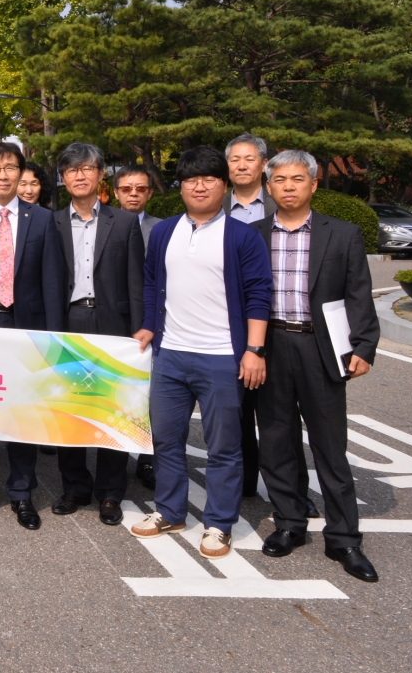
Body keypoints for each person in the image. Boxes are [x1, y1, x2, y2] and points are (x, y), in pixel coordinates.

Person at [130, 146, 272, 560]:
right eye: (191, 179)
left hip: (221, 357)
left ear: (224, 186)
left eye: (209, 178)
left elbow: (259, 294)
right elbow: (153, 283)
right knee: (166, 439)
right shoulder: (164, 232)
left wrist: (254, 350)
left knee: (224, 446)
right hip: (170, 354)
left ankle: (218, 524)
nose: (200, 185)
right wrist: (150, 326)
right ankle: (170, 510)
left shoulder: (242, 236)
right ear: (180, 187)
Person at [254, 150, 380, 582]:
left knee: (330, 445)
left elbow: (358, 292)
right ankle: (289, 523)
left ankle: (344, 538)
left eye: (297, 179)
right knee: (275, 439)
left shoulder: (341, 234)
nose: (288, 186)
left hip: (320, 347)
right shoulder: (252, 234)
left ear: (313, 183)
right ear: (268, 186)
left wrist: (364, 345)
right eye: (280, 179)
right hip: (269, 346)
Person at [0, 141, 65, 530]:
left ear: (22, 173)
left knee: (23, 413)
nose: (3, 174)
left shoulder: (42, 220)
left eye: (10, 167)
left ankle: (22, 493)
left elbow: (52, 281)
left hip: (27, 327)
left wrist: (53, 337)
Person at [50, 143, 144, 527]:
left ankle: (110, 493)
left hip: (113, 327)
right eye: (72, 170)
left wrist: (140, 326)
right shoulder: (50, 222)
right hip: (68, 322)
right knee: (68, 409)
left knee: (113, 410)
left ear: (101, 174)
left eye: (87, 168)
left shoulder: (123, 223)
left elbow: (136, 280)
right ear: (63, 178)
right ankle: (74, 486)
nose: (80, 176)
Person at [223, 133, 287, 503]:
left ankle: (288, 491)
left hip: (279, 322)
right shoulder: (216, 209)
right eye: (235, 159)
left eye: (249, 159)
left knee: (278, 413)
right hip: (233, 325)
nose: (242, 165)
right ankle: (245, 482)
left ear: (264, 164)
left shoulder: (279, 205)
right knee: (238, 410)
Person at [112, 164, 161, 489]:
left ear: (150, 193)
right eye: (127, 189)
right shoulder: (108, 225)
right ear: (116, 192)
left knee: (153, 396)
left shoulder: (162, 229)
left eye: (140, 189)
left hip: (152, 324)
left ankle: (148, 459)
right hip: (116, 322)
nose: (133, 194)